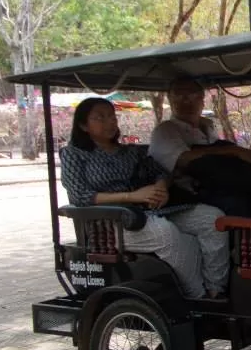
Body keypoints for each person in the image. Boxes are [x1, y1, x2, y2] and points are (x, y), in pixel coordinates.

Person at [60, 98, 230, 300]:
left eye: (112, 116)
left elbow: (160, 173)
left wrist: (161, 187)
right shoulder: (74, 155)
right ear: (83, 125)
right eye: (100, 118)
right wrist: (132, 196)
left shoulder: (131, 152)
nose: (110, 122)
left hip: (151, 209)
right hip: (111, 222)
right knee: (167, 234)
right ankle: (199, 297)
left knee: (213, 219)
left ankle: (216, 289)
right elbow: (80, 195)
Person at [149, 79, 251, 218]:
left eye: (192, 94)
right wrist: (235, 151)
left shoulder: (207, 126)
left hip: (224, 185)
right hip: (189, 192)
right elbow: (184, 159)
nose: (186, 100)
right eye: (179, 95)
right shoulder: (165, 130)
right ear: (170, 98)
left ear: (202, 99)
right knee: (240, 204)